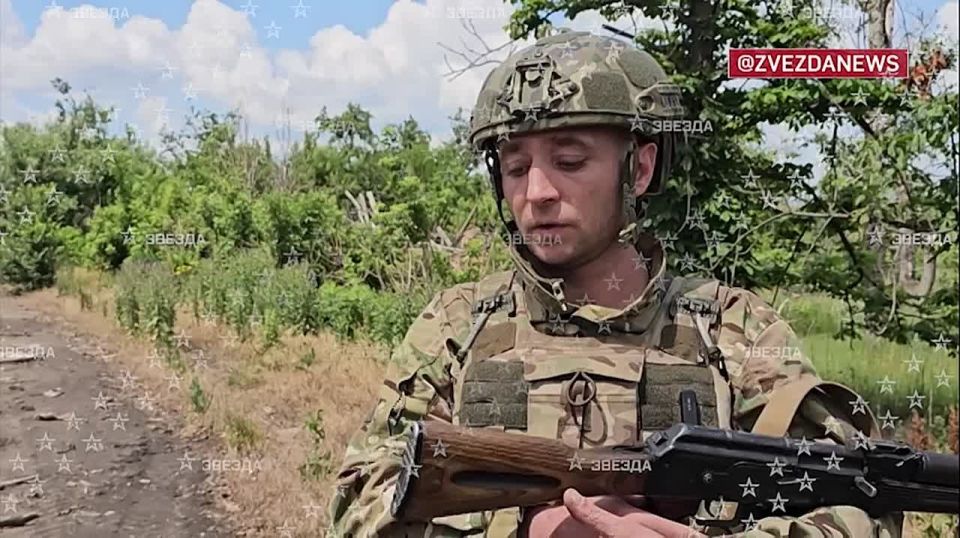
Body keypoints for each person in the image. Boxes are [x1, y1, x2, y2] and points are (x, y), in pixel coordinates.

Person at [327, 29, 904, 538]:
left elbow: (862, 503)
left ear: (640, 168)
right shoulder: (461, 324)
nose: (537, 193)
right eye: (517, 167)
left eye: (570, 161)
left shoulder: (732, 330)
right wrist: (526, 526)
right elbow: (357, 502)